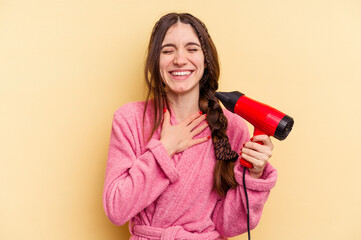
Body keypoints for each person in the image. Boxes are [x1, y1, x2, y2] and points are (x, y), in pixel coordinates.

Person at [103, 13, 277, 240]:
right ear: (156, 61)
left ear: (206, 59)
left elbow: (228, 225)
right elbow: (117, 208)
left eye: (192, 49)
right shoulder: (130, 119)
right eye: (168, 51)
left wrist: (253, 175)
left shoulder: (231, 127)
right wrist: (164, 149)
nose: (180, 59)